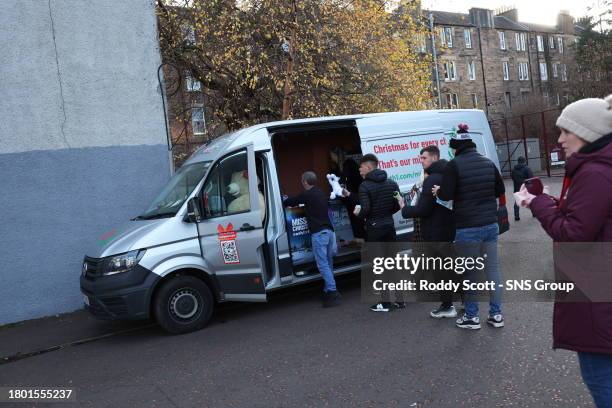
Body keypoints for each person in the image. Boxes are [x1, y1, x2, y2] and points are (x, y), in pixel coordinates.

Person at [516, 95, 612, 407]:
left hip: (598, 299)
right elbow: (590, 220)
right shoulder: (600, 168)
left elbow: (572, 234)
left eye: (565, 132)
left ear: (587, 133)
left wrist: (536, 203)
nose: (559, 140)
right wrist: (553, 202)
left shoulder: (595, 172)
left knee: (602, 383)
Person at [432, 123, 506, 330]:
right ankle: (496, 315)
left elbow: (446, 195)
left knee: (470, 273)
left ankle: (472, 317)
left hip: (467, 227)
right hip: (490, 224)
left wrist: (438, 190)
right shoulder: (488, 162)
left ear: (456, 148)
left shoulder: (454, 165)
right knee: (493, 271)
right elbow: (499, 189)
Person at [399, 145, 457, 318]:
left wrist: (404, 208)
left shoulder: (432, 179)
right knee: (452, 268)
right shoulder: (449, 175)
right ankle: (467, 301)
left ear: (434, 157)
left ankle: (447, 306)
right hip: (449, 229)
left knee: (441, 272)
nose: (421, 161)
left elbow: (423, 210)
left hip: (434, 232)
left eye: (423, 158)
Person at [352, 153, 402, 312]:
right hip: (389, 226)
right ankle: (400, 300)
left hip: (374, 229)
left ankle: (385, 303)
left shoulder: (364, 186)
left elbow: (365, 210)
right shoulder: (391, 183)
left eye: (360, 167)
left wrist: (357, 214)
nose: (359, 170)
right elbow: (398, 204)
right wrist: (386, 214)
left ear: (368, 167)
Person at [284, 171, 341, 308]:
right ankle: (328, 290)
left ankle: (333, 291)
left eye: (301, 181)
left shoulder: (307, 194)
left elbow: (290, 202)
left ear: (304, 182)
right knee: (328, 262)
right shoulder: (320, 192)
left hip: (319, 233)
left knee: (322, 264)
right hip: (329, 231)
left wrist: (284, 198)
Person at [330, 147, 365, 242]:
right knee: (353, 218)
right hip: (348, 199)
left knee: (357, 218)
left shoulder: (349, 164)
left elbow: (356, 180)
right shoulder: (338, 168)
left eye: (332, 156)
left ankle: (362, 239)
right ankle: (359, 239)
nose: (331, 158)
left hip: (355, 198)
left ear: (337, 155)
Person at [510, 156, 533, 221]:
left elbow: (512, 177)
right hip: (526, 188)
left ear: (518, 161)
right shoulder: (527, 168)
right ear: (524, 161)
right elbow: (531, 178)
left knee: (517, 201)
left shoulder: (514, 170)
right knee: (530, 200)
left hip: (517, 188)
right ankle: (534, 213)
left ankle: (516, 216)